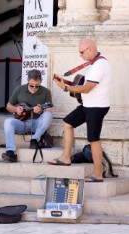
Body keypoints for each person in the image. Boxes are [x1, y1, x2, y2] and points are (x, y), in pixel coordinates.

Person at [48, 38, 111, 183]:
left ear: (90, 49)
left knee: (94, 139)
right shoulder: (93, 64)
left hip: (97, 107)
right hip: (88, 105)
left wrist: (65, 87)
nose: (80, 55)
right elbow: (82, 84)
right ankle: (65, 157)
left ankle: (97, 174)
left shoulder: (100, 65)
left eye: (82, 52)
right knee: (67, 122)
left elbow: (87, 88)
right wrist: (66, 83)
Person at [2, 69, 53, 162]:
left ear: (41, 81)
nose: (34, 88)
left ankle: (35, 140)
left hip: (38, 124)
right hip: (22, 123)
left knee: (48, 115)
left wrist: (42, 109)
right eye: (31, 85)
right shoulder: (19, 89)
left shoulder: (46, 92)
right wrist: (16, 109)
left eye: (37, 86)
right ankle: (10, 152)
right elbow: (8, 106)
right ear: (28, 80)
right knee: (7, 122)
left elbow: (49, 109)